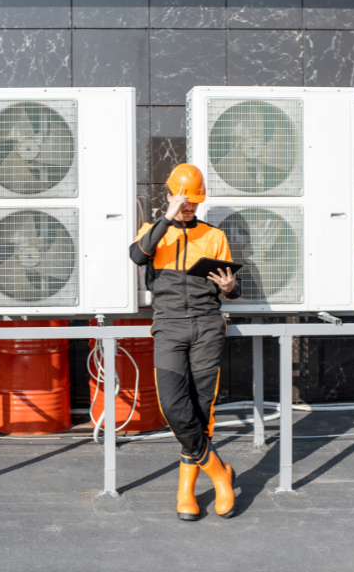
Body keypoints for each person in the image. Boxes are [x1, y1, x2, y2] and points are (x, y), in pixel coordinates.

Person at [129, 163, 242, 521]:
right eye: (183, 200)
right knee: (174, 408)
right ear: (170, 196)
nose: (188, 207)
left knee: (201, 409)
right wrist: (167, 217)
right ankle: (219, 473)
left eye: (193, 201)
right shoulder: (153, 231)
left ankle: (186, 493)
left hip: (208, 326)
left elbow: (233, 290)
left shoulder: (214, 236)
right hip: (169, 327)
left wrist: (229, 288)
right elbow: (136, 255)